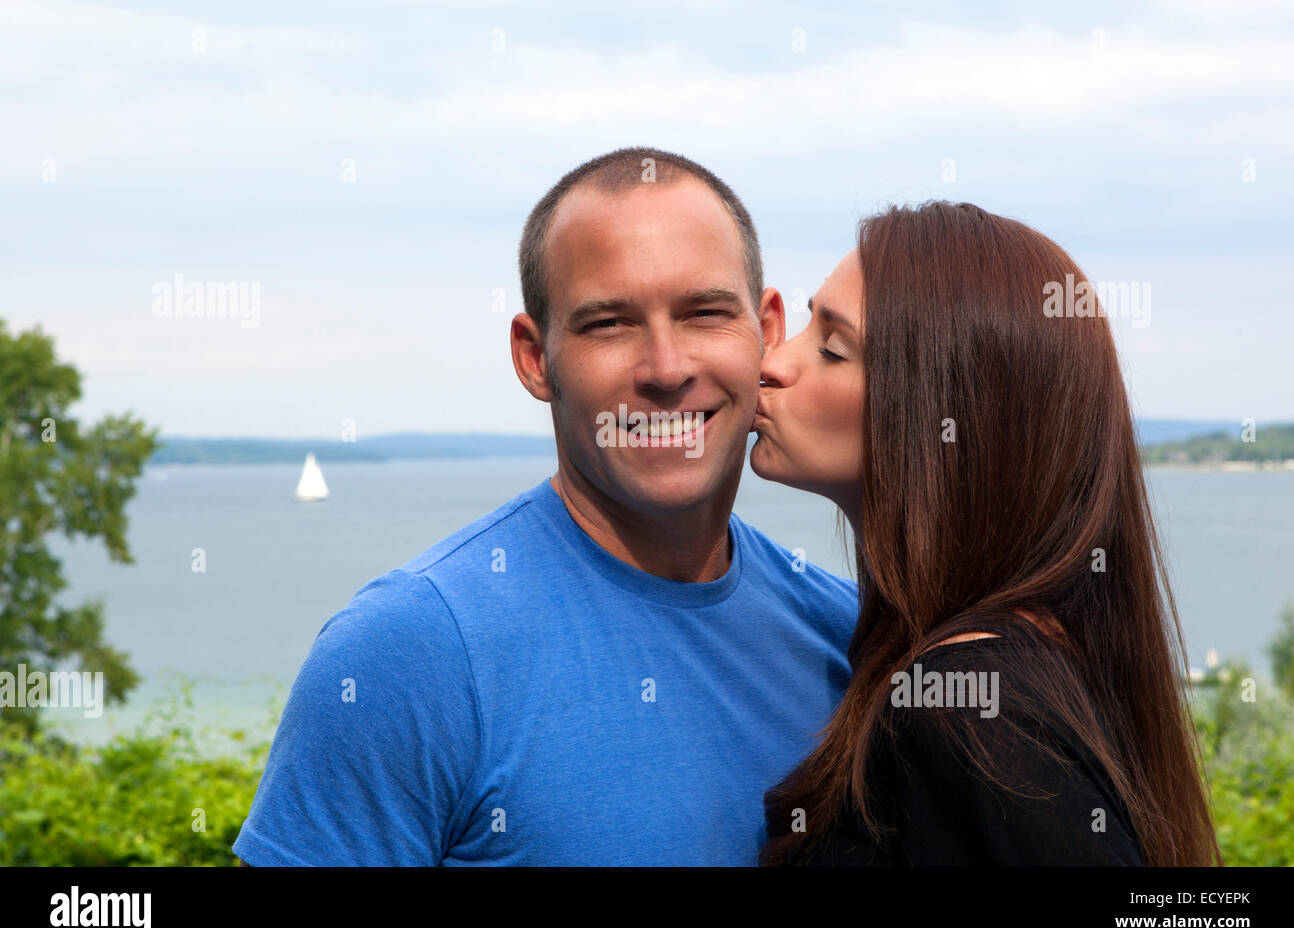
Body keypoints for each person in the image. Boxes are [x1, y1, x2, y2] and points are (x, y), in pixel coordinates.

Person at [231, 147, 859, 866]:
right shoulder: (410, 653)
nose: (666, 369)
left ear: (767, 330)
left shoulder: (847, 634)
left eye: (704, 313)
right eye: (609, 324)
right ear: (535, 358)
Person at [752, 201, 1222, 866]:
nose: (772, 362)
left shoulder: (969, 705)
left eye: (832, 348)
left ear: (947, 412)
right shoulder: (1009, 663)